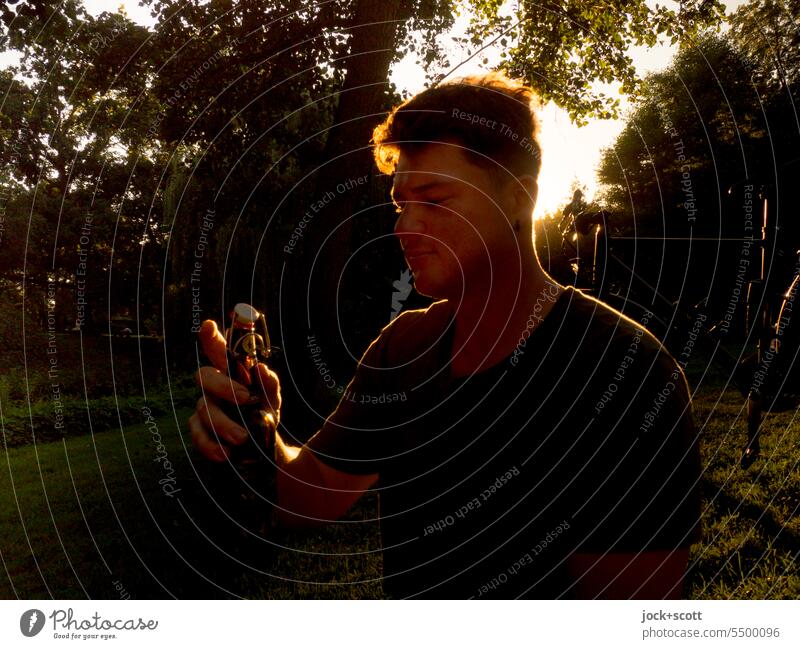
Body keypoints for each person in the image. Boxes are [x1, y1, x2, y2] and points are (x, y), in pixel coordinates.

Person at [189, 72, 701, 599]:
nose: (404, 226)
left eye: (433, 200)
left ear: (520, 199)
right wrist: (257, 432)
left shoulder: (624, 372)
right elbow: (311, 492)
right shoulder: (402, 347)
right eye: (399, 204)